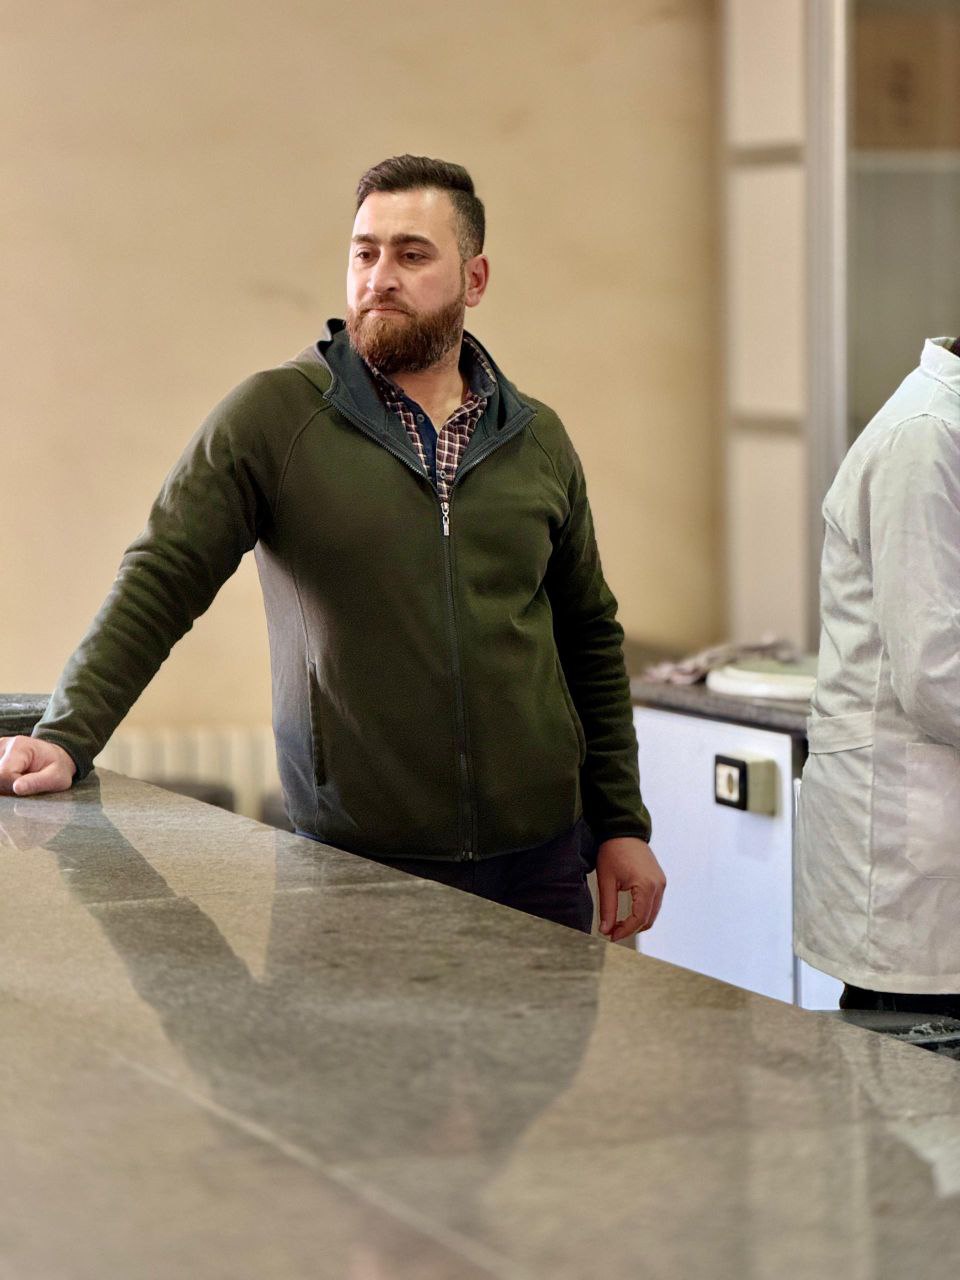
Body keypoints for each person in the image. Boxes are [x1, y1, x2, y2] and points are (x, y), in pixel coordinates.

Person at [0, 155, 664, 941]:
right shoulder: (274, 417)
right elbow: (162, 577)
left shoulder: (536, 437)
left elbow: (588, 635)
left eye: (412, 255)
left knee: (546, 1033)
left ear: (474, 279)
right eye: (365, 252)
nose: (381, 277)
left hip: (542, 864)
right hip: (354, 868)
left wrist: (622, 824)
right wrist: (68, 735)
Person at [796, 335, 960, 1014]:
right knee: (909, 1074)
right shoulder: (926, 437)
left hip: (931, 849)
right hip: (908, 861)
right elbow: (936, 674)